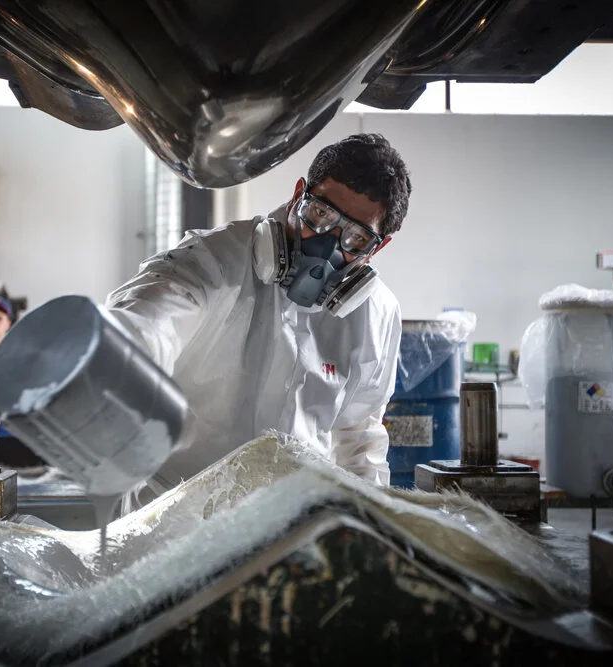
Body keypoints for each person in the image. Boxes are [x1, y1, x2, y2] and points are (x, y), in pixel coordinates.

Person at [104, 133, 410, 493]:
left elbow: (359, 438)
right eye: (320, 214)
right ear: (299, 195)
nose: (326, 243)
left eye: (355, 238)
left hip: (295, 516)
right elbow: (151, 321)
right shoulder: (215, 260)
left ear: (376, 248)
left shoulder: (376, 314)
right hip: (174, 510)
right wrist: (113, 358)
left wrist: (368, 516)